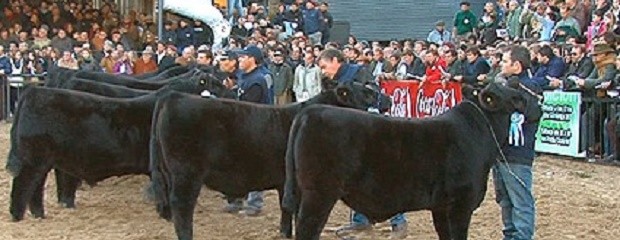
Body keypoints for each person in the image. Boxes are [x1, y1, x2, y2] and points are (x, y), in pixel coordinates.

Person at [317, 48, 407, 237]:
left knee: (381, 178)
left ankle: (398, 222)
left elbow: (372, 99)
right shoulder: (330, 81)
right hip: (350, 136)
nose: (323, 71)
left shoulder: (359, 72)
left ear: (335, 60)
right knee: (355, 179)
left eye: (324, 66)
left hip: (370, 133)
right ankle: (360, 221)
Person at [494, 45, 541, 240]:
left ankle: (521, 237)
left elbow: (533, 112)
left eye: (505, 61)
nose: (501, 65)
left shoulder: (530, 87)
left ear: (517, 65)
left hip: (518, 152)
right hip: (500, 151)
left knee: (520, 200)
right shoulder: (504, 85)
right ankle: (510, 235)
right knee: (505, 200)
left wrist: (513, 91)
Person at [222, 45, 269, 216]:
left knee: (254, 166)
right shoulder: (244, 76)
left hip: (256, 129)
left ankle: (254, 204)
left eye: (243, 57)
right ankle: (237, 199)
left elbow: (249, 107)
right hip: (244, 127)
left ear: (253, 59)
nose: (240, 60)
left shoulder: (257, 80)